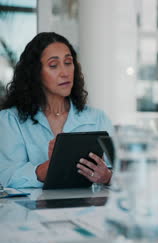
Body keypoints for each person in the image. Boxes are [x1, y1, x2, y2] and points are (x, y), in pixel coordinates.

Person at [0, 32, 114, 188]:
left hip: (89, 210)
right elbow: (5, 175)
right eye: (53, 65)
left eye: (68, 62)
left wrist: (107, 177)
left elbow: (125, 174)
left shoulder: (98, 119)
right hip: (29, 211)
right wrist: (43, 170)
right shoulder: (10, 120)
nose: (65, 72)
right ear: (35, 73)